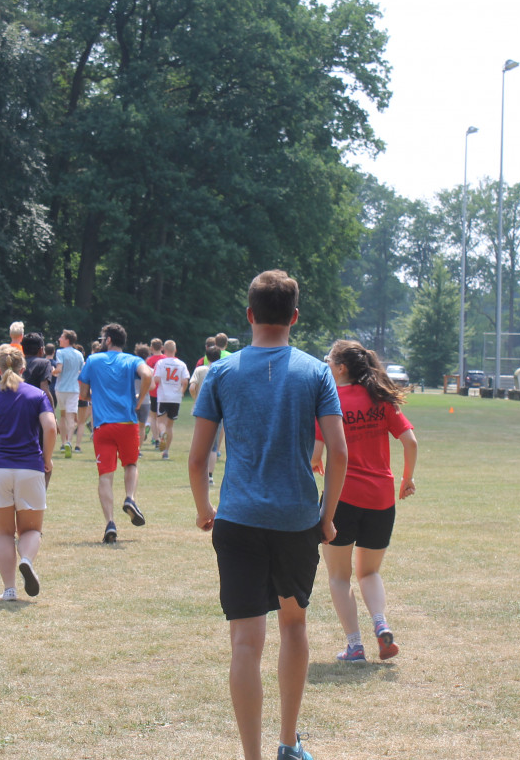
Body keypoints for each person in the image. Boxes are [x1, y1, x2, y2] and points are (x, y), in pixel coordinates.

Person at [188, 270, 347, 760]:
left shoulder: (220, 372)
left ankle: (251, 755)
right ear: (295, 317)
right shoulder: (315, 372)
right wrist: (327, 514)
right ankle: (287, 742)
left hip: (237, 519)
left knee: (244, 643)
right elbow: (338, 453)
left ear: (250, 315)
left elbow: (197, 458)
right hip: (297, 519)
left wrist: (204, 509)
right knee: (293, 626)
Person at [312, 340, 418, 663]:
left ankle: (355, 646)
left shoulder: (330, 399)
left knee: (338, 576)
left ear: (341, 368)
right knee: (369, 573)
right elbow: (410, 441)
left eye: (329, 360)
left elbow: (316, 454)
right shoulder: (381, 398)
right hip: (382, 498)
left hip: (342, 497)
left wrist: (318, 462)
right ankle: (381, 624)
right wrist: (407, 478)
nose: (326, 365)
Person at [0, 344, 57, 600]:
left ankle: (9, 589)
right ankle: (28, 561)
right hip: (30, 467)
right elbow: (51, 428)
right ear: (24, 368)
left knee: (2, 533)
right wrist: (47, 458)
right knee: (31, 530)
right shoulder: (37, 395)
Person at [78, 323, 153, 544]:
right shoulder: (132, 360)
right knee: (130, 464)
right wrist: (139, 400)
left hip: (103, 425)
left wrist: (98, 396)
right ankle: (130, 498)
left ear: (109, 340)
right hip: (127, 422)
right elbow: (147, 374)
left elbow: (83, 394)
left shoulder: (93, 360)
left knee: (105, 476)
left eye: (103, 338)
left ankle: (110, 522)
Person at [187, 343, 221, 484]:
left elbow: (192, 387)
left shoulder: (200, 370)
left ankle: (199, 475)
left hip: (201, 410)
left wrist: (196, 398)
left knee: (201, 443)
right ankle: (210, 476)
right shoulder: (222, 369)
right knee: (214, 446)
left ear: (206, 357)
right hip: (219, 410)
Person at [152, 339, 189, 459]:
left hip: (163, 396)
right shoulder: (182, 364)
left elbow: (156, 379)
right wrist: (182, 392)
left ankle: (162, 434)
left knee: (160, 422)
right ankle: (166, 452)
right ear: (175, 350)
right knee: (170, 425)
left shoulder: (161, 363)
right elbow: (185, 381)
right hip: (175, 397)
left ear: (164, 350)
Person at [54, 330, 86, 457]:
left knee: (62, 415)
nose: (60, 339)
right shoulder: (79, 354)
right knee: (71, 417)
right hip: (73, 389)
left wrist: (52, 371)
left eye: (62, 337)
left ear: (67, 340)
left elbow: (59, 369)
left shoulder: (60, 352)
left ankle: (62, 443)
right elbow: (83, 373)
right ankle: (69, 442)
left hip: (61, 388)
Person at [144, 338, 166, 447]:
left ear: (151, 348)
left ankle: (156, 439)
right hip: (164, 391)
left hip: (152, 391)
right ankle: (162, 434)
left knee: (152, 416)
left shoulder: (149, 360)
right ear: (162, 347)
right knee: (161, 417)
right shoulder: (165, 359)